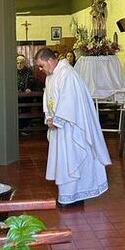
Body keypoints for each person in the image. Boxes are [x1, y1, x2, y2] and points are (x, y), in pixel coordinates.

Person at [34, 47, 111, 206]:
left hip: (71, 128)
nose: (41, 70)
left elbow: (70, 102)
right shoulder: (51, 76)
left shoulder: (67, 74)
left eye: (41, 65)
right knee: (64, 163)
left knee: (72, 161)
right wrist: (48, 117)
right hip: (59, 128)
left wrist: (56, 121)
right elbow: (47, 99)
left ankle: (75, 197)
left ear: (50, 60)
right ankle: (67, 196)